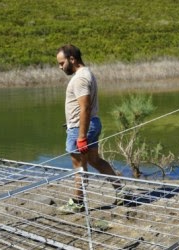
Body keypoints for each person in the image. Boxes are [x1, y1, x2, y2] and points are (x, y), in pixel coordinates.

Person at [55, 44, 127, 214]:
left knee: (79, 166)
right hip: (90, 124)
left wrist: (80, 136)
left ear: (72, 59)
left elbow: (85, 107)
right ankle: (121, 192)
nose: (60, 67)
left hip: (81, 128)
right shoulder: (87, 73)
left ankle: (78, 202)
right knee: (95, 160)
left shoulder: (80, 78)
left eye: (61, 63)